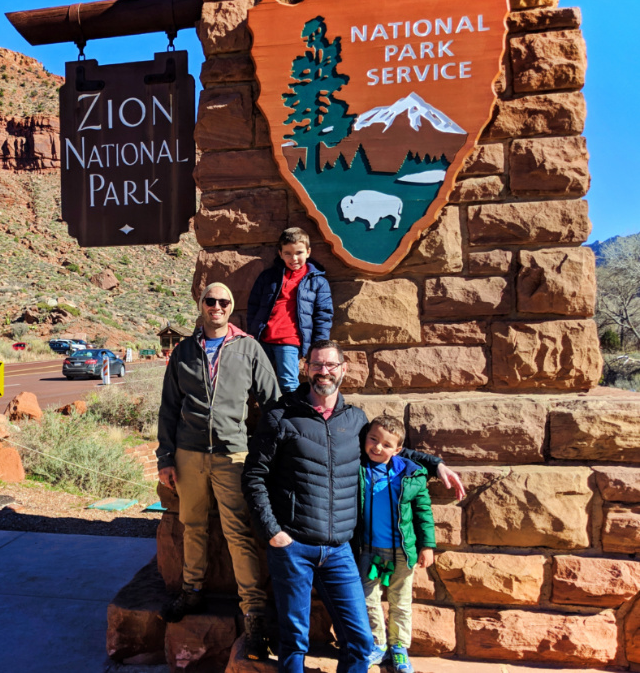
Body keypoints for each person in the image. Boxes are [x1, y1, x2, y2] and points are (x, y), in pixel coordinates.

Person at [242, 340, 465, 673]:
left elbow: (387, 449)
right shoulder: (281, 416)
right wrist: (273, 532)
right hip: (293, 546)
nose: (324, 372)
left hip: (340, 550)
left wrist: (435, 465)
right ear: (307, 368)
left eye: (331, 365)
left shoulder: (356, 421)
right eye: (317, 365)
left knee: (361, 645)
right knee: (294, 642)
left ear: (343, 370)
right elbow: (253, 477)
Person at [156, 282, 279, 660]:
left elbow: (272, 401)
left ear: (231, 308)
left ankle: (254, 609)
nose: (217, 307)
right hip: (189, 455)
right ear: (201, 304)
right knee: (192, 525)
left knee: (238, 531)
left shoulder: (248, 348)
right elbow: (168, 408)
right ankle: (191, 592)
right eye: (210, 301)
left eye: (224, 302)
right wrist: (165, 457)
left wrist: (270, 454)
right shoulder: (184, 352)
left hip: (234, 455)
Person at [357, 415, 436, 673]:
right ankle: (377, 645)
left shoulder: (411, 474)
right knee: (368, 599)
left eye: (386, 445)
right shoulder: (358, 468)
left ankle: (399, 647)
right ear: (365, 438)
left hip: (402, 551)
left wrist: (427, 546)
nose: (378, 448)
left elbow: (423, 512)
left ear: (398, 450)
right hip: (368, 549)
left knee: (400, 600)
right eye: (373, 439)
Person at [246, 227, 333, 394]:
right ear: (280, 253)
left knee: (288, 384)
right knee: (256, 383)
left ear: (308, 252)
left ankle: (290, 419)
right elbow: (254, 306)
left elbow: (323, 316)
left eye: (299, 252)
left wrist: (319, 347)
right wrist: (252, 332)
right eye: (288, 253)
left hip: (290, 342)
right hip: (263, 339)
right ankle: (269, 418)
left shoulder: (318, 282)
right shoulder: (268, 277)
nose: (294, 258)